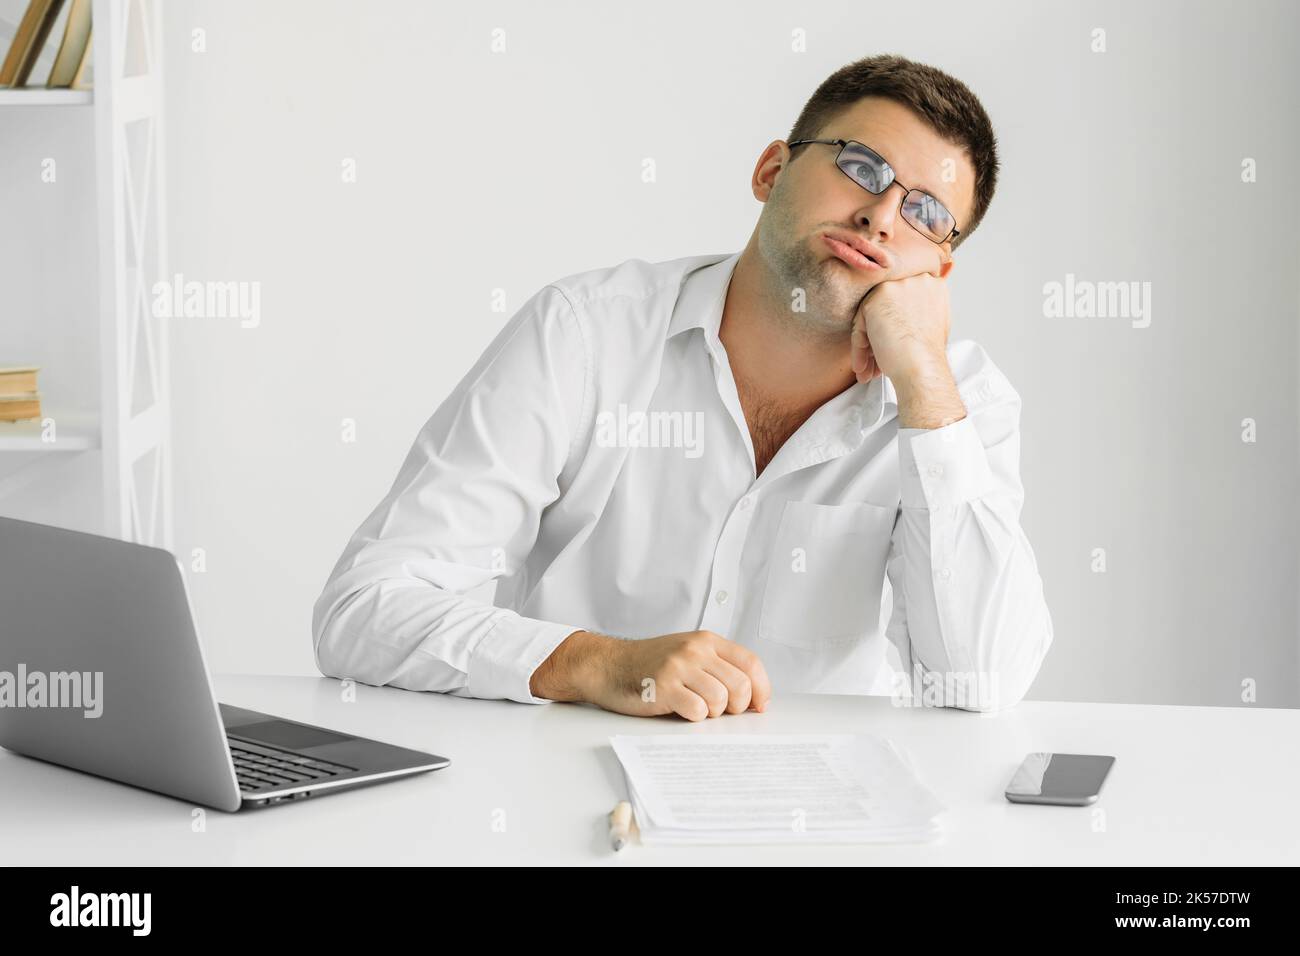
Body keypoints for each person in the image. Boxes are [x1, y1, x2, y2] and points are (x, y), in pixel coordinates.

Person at [312, 53, 1053, 721]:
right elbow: (363, 610)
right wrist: (598, 662)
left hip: (822, 816)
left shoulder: (963, 407)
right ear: (770, 172)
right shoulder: (585, 335)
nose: (881, 216)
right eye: (862, 166)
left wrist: (924, 380)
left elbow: (980, 680)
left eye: (927, 212)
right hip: (567, 795)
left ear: (939, 272)